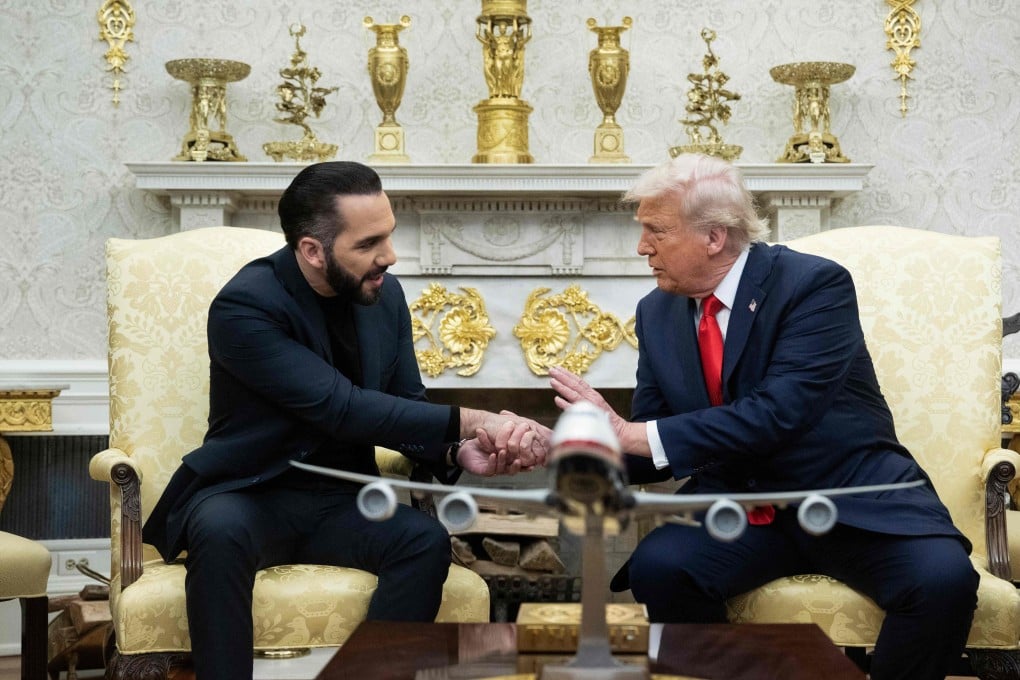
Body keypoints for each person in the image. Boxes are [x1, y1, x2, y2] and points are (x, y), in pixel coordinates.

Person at [548, 153, 979, 680]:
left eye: (657, 231)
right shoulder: (657, 312)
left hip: (851, 498)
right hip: (745, 509)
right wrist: (578, 443)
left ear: (714, 237)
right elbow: (654, 444)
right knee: (662, 567)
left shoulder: (813, 286)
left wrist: (634, 434)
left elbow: (777, 414)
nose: (643, 247)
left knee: (943, 581)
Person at [143, 160, 549, 680]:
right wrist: (475, 420)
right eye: (368, 244)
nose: (390, 256)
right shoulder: (245, 304)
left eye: (389, 235)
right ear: (312, 250)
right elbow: (342, 407)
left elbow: (407, 402)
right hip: (248, 493)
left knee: (421, 542)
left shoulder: (385, 295)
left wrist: (454, 452)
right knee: (219, 532)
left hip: (341, 499)